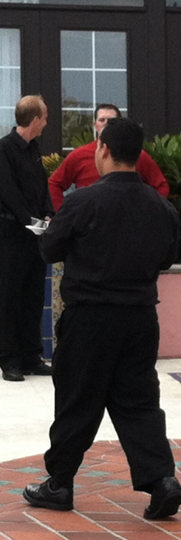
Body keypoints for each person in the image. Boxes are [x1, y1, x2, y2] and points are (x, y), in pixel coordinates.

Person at [24, 118, 181, 519]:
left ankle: (59, 484)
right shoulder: (161, 207)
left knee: (78, 399)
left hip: (90, 319)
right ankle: (162, 480)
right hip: (141, 319)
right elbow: (166, 257)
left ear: (104, 150)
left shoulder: (82, 201)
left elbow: (50, 249)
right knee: (140, 402)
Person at [0, 95, 54, 382]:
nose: (46, 123)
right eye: (44, 117)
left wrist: (48, 214)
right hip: (11, 235)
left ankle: (32, 357)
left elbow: (42, 187)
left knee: (34, 296)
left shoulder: (34, 149)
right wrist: (30, 222)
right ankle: (9, 360)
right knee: (10, 298)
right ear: (34, 120)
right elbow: (7, 192)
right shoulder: (4, 149)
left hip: (35, 235)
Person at [48, 103, 169, 210]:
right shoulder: (79, 155)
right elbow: (54, 183)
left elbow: (161, 185)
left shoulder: (137, 154)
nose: (106, 123)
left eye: (111, 120)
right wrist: (62, 211)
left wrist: (149, 211)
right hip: (88, 218)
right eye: (102, 120)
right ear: (95, 124)